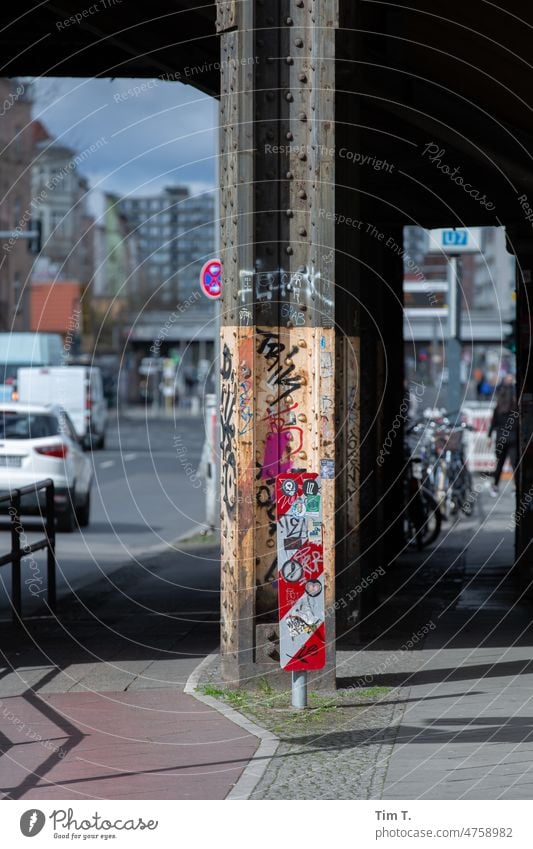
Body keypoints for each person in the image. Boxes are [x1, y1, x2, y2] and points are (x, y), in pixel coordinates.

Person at [488, 374, 518, 495]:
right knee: (515, 464)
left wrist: (489, 436)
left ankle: (495, 486)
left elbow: (493, 423)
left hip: (501, 438)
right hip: (513, 438)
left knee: (499, 464)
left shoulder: (498, 408)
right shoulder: (515, 408)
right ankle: (516, 488)